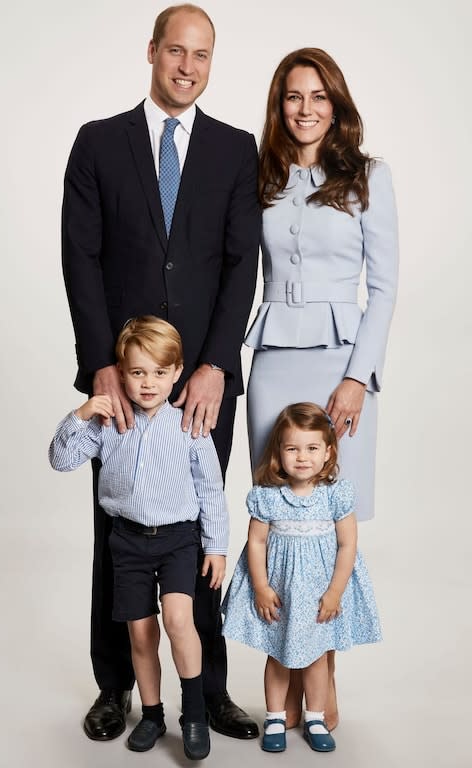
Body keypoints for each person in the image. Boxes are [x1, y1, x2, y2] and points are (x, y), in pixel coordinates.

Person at [61, 4, 260, 741]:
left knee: (201, 532)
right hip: (124, 380)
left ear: (212, 63)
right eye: (176, 50)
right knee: (116, 532)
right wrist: (100, 369)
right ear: (152, 52)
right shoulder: (99, 143)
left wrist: (215, 365)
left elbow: (244, 264)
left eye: (201, 55)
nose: (187, 66)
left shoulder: (237, 151)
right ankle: (116, 685)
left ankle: (205, 693)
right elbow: (79, 258)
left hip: (201, 386)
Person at [245, 47, 398, 729]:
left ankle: (323, 679)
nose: (305, 109)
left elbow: (386, 287)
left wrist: (358, 378)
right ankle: (286, 688)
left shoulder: (369, 176)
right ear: (279, 107)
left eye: (317, 96)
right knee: (281, 526)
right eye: (291, 97)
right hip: (274, 359)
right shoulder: (261, 176)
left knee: (330, 524)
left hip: (341, 363)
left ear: (336, 104)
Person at [50, 316, 229, 759]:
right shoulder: (111, 424)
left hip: (178, 541)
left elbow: (211, 489)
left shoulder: (189, 425)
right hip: (127, 541)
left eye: (159, 373)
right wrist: (81, 413)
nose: (148, 383)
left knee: (177, 620)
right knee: (141, 633)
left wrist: (217, 547)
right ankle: (152, 714)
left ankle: (194, 714)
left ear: (177, 371)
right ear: (122, 372)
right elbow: (60, 459)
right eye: (137, 372)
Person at [222, 403, 381, 753]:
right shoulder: (267, 496)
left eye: (312, 448)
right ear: (279, 452)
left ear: (328, 452)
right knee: (277, 655)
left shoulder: (335, 495)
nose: (302, 457)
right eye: (292, 448)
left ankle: (315, 716)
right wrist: (261, 588)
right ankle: (276, 716)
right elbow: (256, 542)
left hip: (320, 595)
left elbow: (347, 544)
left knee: (317, 656)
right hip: (281, 593)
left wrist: (335, 592)